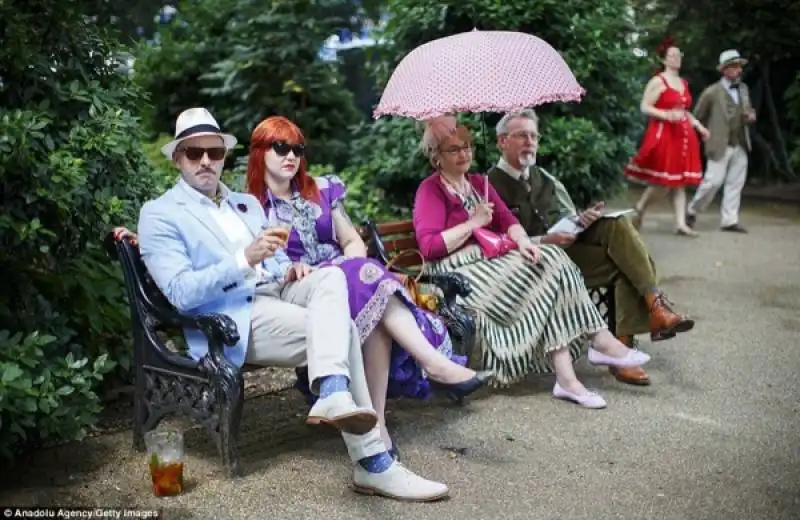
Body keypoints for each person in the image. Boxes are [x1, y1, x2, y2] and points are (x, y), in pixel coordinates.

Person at [133, 107, 449, 501]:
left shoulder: (243, 204)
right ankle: (373, 462)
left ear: (223, 157)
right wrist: (243, 259)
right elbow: (179, 293)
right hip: (232, 318)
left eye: (214, 153)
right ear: (178, 158)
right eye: (194, 153)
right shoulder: (160, 214)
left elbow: (275, 260)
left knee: (332, 276)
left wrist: (289, 267)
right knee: (344, 329)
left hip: (276, 295)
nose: (206, 162)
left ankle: (334, 394)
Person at [244, 115, 491, 458]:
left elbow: (351, 242)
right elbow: (267, 266)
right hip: (302, 291)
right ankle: (433, 364)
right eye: (281, 147)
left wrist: (349, 263)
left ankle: (378, 428)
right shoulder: (249, 208)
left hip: (348, 274)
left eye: (297, 149)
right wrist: (303, 268)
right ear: (259, 153)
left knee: (370, 300)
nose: (291, 156)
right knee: (368, 286)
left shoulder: (320, 189)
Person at [413, 115, 652, 409]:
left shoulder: (478, 183)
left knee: (550, 258)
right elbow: (429, 246)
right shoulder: (431, 190)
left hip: (490, 262)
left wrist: (525, 242)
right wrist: (473, 223)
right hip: (457, 272)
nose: (464, 154)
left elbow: (508, 221)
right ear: (437, 156)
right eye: (454, 149)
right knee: (549, 272)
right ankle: (596, 348)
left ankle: (571, 376)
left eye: (467, 147)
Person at [488, 109, 696, 387]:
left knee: (616, 224)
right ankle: (630, 336)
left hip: (567, 255)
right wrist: (543, 241)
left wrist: (580, 221)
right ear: (502, 141)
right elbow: (492, 243)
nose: (530, 141)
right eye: (522, 135)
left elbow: (567, 216)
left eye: (534, 136)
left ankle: (649, 311)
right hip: (529, 265)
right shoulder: (488, 185)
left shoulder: (545, 179)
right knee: (623, 264)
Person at [623, 39, 710, 236]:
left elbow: (684, 111)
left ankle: (680, 224)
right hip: (664, 134)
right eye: (672, 55)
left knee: (679, 182)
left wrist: (699, 126)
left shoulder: (683, 83)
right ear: (664, 59)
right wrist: (665, 115)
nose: (676, 59)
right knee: (663, 182)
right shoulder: (658, 81)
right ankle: (640, 207)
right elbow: (644, 106)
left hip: (684, 135)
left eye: (679, 55)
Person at [686, 49, 756, 233]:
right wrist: (703, 134)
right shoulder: (711, 92)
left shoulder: (743, 89)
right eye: (734, 66)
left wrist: (749, 117)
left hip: (740, 141)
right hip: (718, 142)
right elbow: (697, 116)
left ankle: (729, 220)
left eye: (739, 66)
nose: (738, 70)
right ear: (724, 69)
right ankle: (692, 210)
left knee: (736, 182)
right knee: (713, 181)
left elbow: (746, 111)